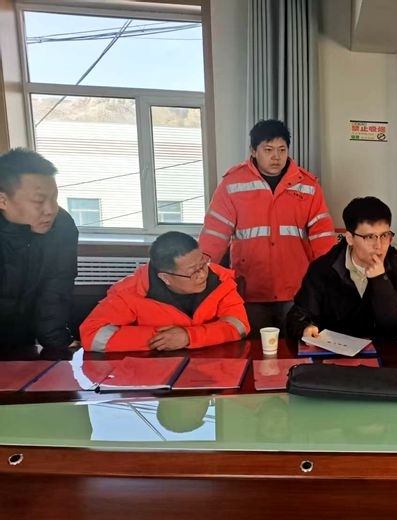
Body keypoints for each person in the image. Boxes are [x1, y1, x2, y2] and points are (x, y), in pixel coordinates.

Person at [199, 119, 337, 333]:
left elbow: (323, 238)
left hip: (296, 289)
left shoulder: (307, 186)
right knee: (253, 347)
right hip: (250, 290)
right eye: (268, 150)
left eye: (282, 149)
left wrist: (328, 282)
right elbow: (214, 236)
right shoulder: (233, 184)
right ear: (253, 151)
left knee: (296, 345)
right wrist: (201, 277)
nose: (276, 157)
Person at [80, 231, 249, 352]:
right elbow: (92, 335)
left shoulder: (220, 280)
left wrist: (188, 337)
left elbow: (239, 326)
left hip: (212, 369)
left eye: (203, 263)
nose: (203, 274)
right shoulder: (131, 291)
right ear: (165, 277)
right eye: (193, 271)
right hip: (152, 374)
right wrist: (161, 339)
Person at [285, 196, 397, 340]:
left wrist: (381, 281)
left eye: (384, 236)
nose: (378, 246)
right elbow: (298, 315)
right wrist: (305, 328)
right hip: (333, 350)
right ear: (350, 238)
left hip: (382, 350)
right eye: (370, 237)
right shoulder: (323, 269)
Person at [0, 148, 78, 350]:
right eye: (39, 201)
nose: (50, 210)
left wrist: (58, 344)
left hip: (23, 339)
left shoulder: (61, 226)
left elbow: (56, 289)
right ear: (3, 200)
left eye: (54, 198)